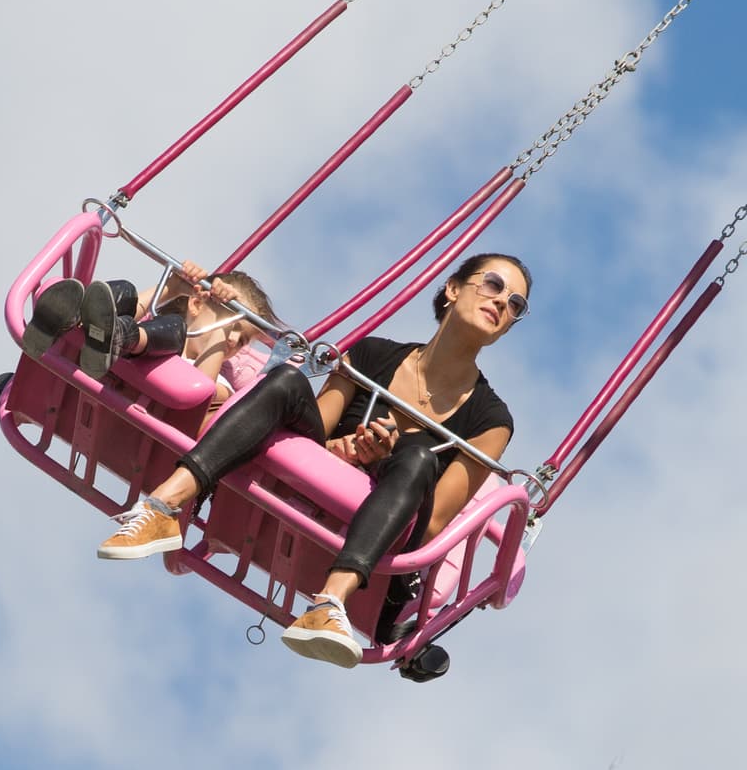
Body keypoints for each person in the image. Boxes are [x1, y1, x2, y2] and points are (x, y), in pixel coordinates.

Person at [96, 253, 531, 669]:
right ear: (453, 290)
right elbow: (315, 434)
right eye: (493, 285)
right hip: (315, 489)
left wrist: (375, 461)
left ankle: (330, 602)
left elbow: (433, 521)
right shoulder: (372, 354)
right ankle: (162, 507)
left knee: (416, 455)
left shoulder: (491, 419)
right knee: (287, 380)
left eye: (515, 304)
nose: (501, 302)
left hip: (394, 526)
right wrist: (342, 452)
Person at [21, 261, 280, 414]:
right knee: (125, 291)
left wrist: (223, 328)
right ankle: (69, 315)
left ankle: (119, 337)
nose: (233, 339)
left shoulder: (219, 380)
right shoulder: (159, 326)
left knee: (174, 331)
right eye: (228, 322)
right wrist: (173, 288)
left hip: (137, 417)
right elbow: (138, 308)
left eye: (242, 338)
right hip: (101, 365)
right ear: (197, 305)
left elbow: (201, 390)